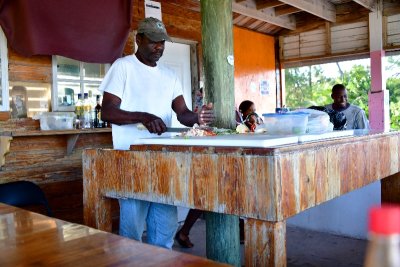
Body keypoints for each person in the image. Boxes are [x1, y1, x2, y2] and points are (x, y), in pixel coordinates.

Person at [99, 17, 214, 249]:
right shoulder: (123, 67)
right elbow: (108, 112)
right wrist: (144, 116)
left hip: (163, 159)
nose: (159, 47)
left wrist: (197, 118)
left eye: (162, 42)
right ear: (138, 39)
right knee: (132, 231)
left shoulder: (169, 75)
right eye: (153, 42)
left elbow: (182, 114)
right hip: (132, 160)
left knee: (164, 230)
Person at [175, 100, 262, 248]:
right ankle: (184, 232)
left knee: (220, 197)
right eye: (250, 110)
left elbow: (240, 132)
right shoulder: (212, 112)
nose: (252, 112)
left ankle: (184, 232)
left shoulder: (235, 114)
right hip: (214, 160)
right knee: (206, 198)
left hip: (226, 161)